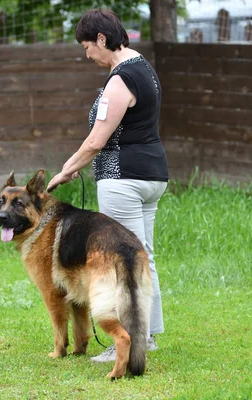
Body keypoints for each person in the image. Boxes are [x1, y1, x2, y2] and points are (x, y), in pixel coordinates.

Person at [46, 8, 169, 363]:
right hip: (152, 176)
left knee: (119, 261)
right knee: (142, 255)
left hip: (123, 179)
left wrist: (66, 171)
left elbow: (96, 141)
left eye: (87, 46)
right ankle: (147, 335)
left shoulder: (120, 79)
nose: (87, 55)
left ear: (102, 39)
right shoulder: (144, 67)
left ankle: (127, 340)